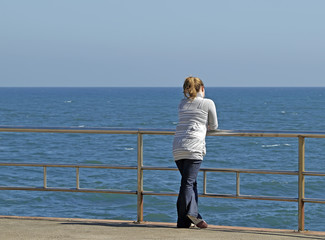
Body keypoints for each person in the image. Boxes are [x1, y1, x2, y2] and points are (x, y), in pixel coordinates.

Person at [173, 76, 218, 228]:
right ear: (202, 88)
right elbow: (214, 125)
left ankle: (190, 217)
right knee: (187, 183)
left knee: (189, 183)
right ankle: (186, 218)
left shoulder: (182, 104)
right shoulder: (207, 102)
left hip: (178, 146)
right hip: (194, 147)